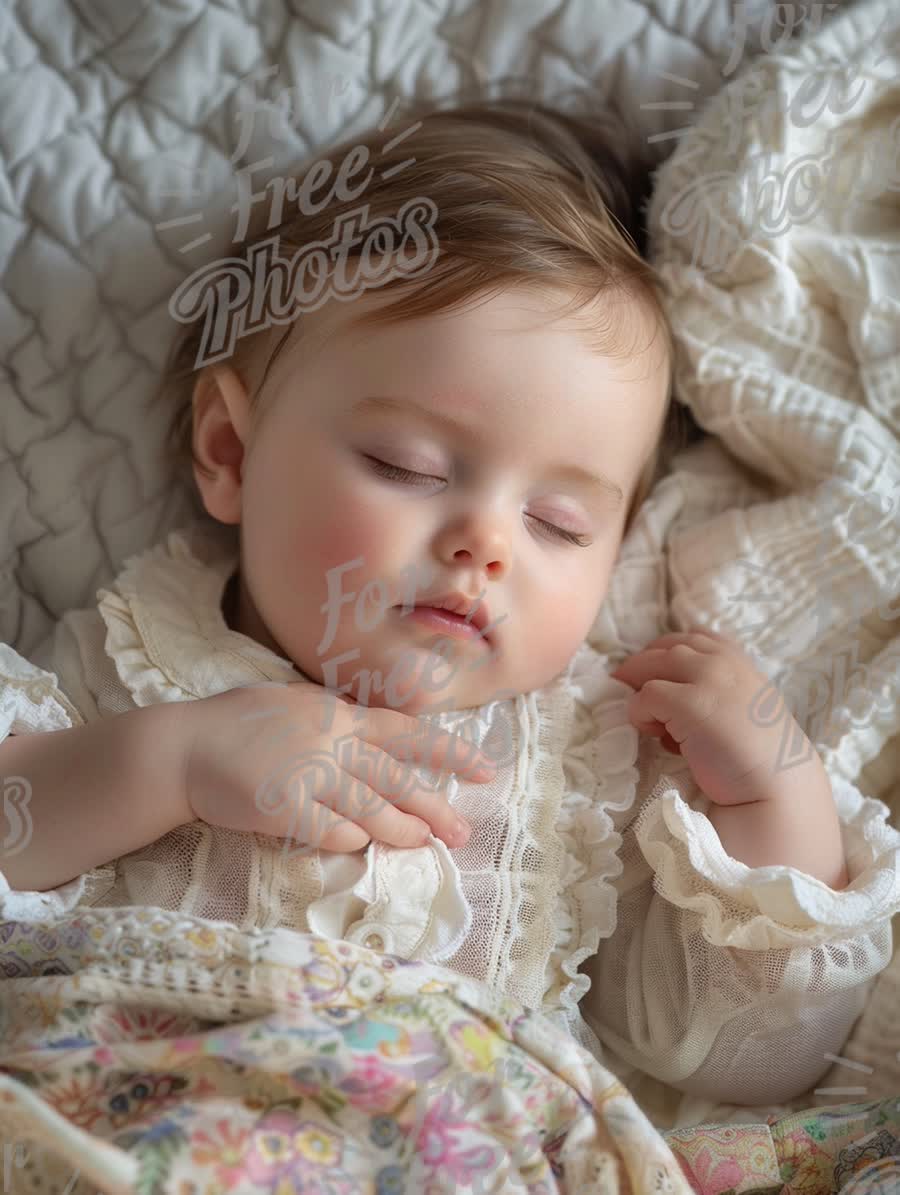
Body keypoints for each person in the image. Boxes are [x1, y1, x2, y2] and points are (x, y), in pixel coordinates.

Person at [1, 98, 898, 1109]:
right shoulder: (141, 656)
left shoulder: (585, 755)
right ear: (232, 454)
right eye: (406, 464)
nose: (489, 542)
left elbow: (751, 1067)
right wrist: (169, 761)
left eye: (559, 521)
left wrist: (776, 809)